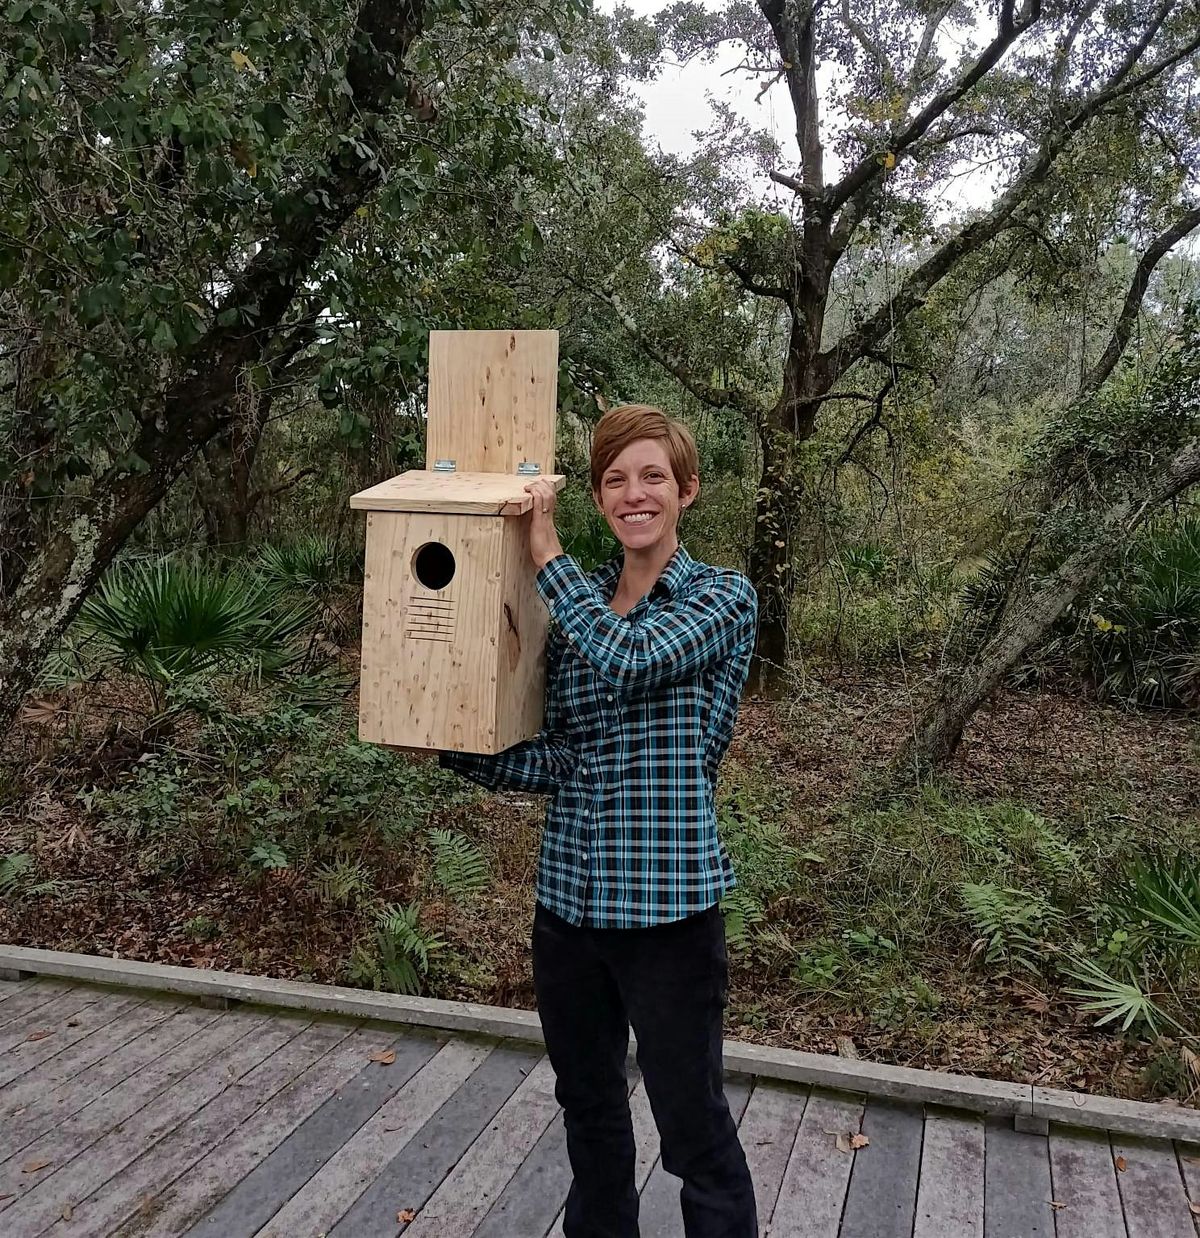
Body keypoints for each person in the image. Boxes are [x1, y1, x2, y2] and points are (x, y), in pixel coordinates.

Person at [440, 403, 759, 1238]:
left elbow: (629, 661)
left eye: (652, 475)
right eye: (615, 479)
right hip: (570, 913)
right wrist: (447, 749)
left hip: (668, 918)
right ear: (598, 496)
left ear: (686, 490)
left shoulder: (722, 598)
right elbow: (564, 760)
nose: (634, 493)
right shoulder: (575, 612)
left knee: (692, 1132)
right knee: (591, 1120)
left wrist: (543, 549)